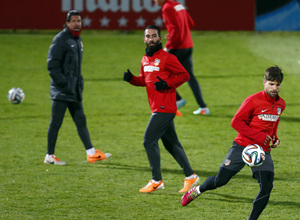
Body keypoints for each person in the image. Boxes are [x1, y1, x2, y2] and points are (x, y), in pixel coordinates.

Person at [181, 66, 286, 220]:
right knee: (220, 181)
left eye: (277, 85)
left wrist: (274, 139)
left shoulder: (281, 104)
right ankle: (197, 190)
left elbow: (273, 124)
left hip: (262, 151)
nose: (274, 88)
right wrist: (258, 136)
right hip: (241, 146)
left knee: (267, 186)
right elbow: (236, 122)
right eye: (271, 84)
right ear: (264, 82)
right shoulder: (252, 100)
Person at [123, 25, 199, 193]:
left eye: (154, 36)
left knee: (148, 141)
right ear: (144, 39)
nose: (151, 39)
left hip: (166, 107)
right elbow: (145, 80)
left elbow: (184, 75)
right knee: (171, 144)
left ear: (160, 38)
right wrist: (132, 79)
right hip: (156, 107)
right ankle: (190, 176)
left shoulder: (167, 57)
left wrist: (167, 84)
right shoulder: (145, 59)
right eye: (148, 36)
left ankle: (156, 180)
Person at [45, 10, 111, 165]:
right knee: (56, 123)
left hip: (73, 90)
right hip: (62, 91)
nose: (77, 23)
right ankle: (49, 156)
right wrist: (65, 85)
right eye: (73, 21)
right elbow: (52, 66)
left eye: (79, 21)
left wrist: (78, 84)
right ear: (67, 23)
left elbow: (75, 68)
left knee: (81, 121)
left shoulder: (77, 39)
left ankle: (91, 153)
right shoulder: (61, 40)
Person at [153, 0, 209, 115]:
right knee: (190, 76)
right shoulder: (177, 4)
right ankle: (203, 107)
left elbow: (176, 29)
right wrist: (176, 34)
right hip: (187, 45)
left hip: (177, 47)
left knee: (157, 70)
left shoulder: (167, 7)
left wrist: (168, 46)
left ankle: (178, 100)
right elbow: (190, 23)